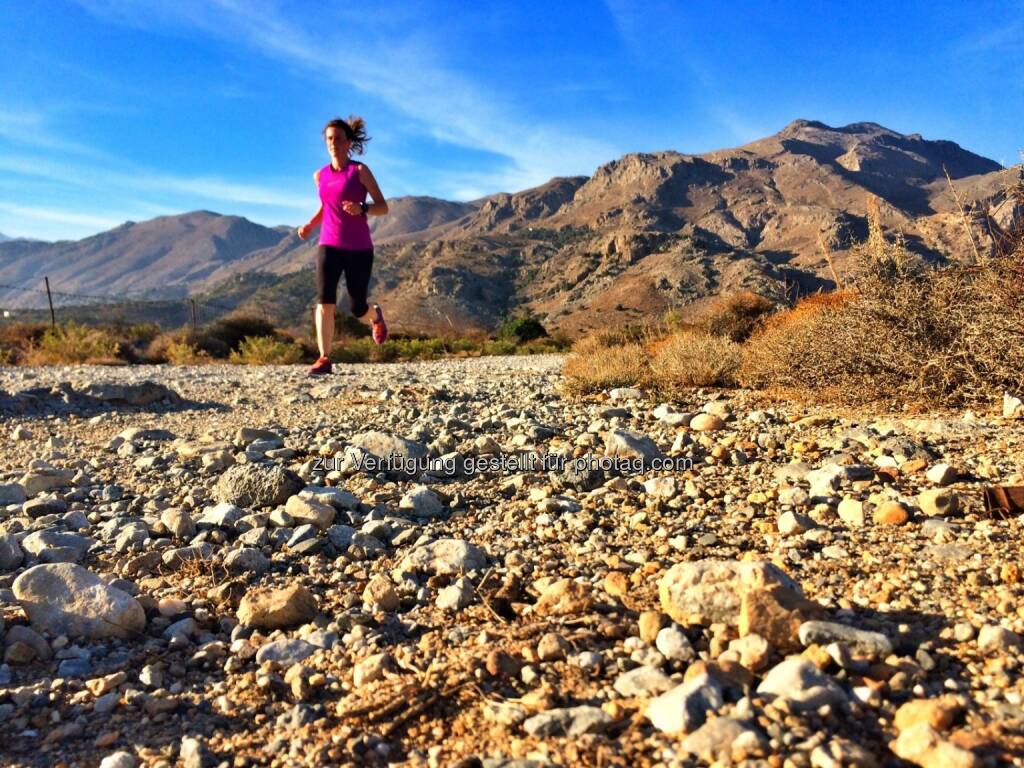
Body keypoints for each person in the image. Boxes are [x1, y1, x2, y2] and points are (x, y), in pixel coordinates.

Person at [297, 115, 389, 375]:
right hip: (329, 244)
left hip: (359, 248)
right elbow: (326, 208)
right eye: (329, 138)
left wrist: (362, 208)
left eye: (338, 138)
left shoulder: (359, 172)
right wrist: (310, 225)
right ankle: (324, 358)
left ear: (349, 142)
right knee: (324, 300)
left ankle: (375, 316)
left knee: (357, 308)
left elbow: (383, 207)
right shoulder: (320, 175)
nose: (333, 143)